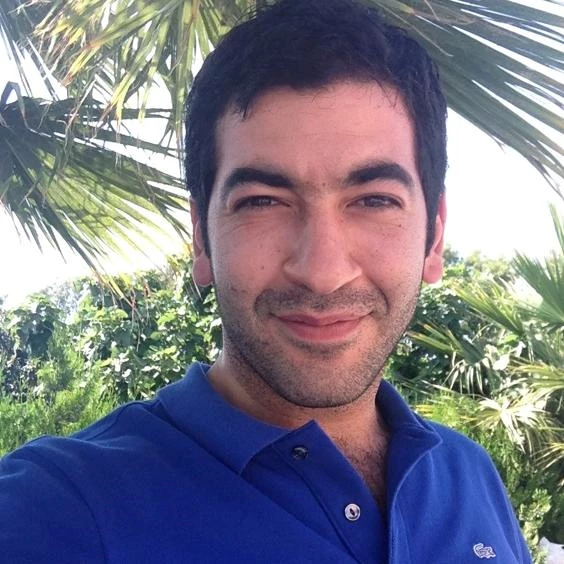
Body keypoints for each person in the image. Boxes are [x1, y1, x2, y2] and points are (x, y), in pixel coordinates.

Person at [0, 0, 531, 562]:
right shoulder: (56, 507)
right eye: (262, 202)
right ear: (201, 239)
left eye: (375, 200)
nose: (323, 273)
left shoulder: (468, 473)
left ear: (435, 236)